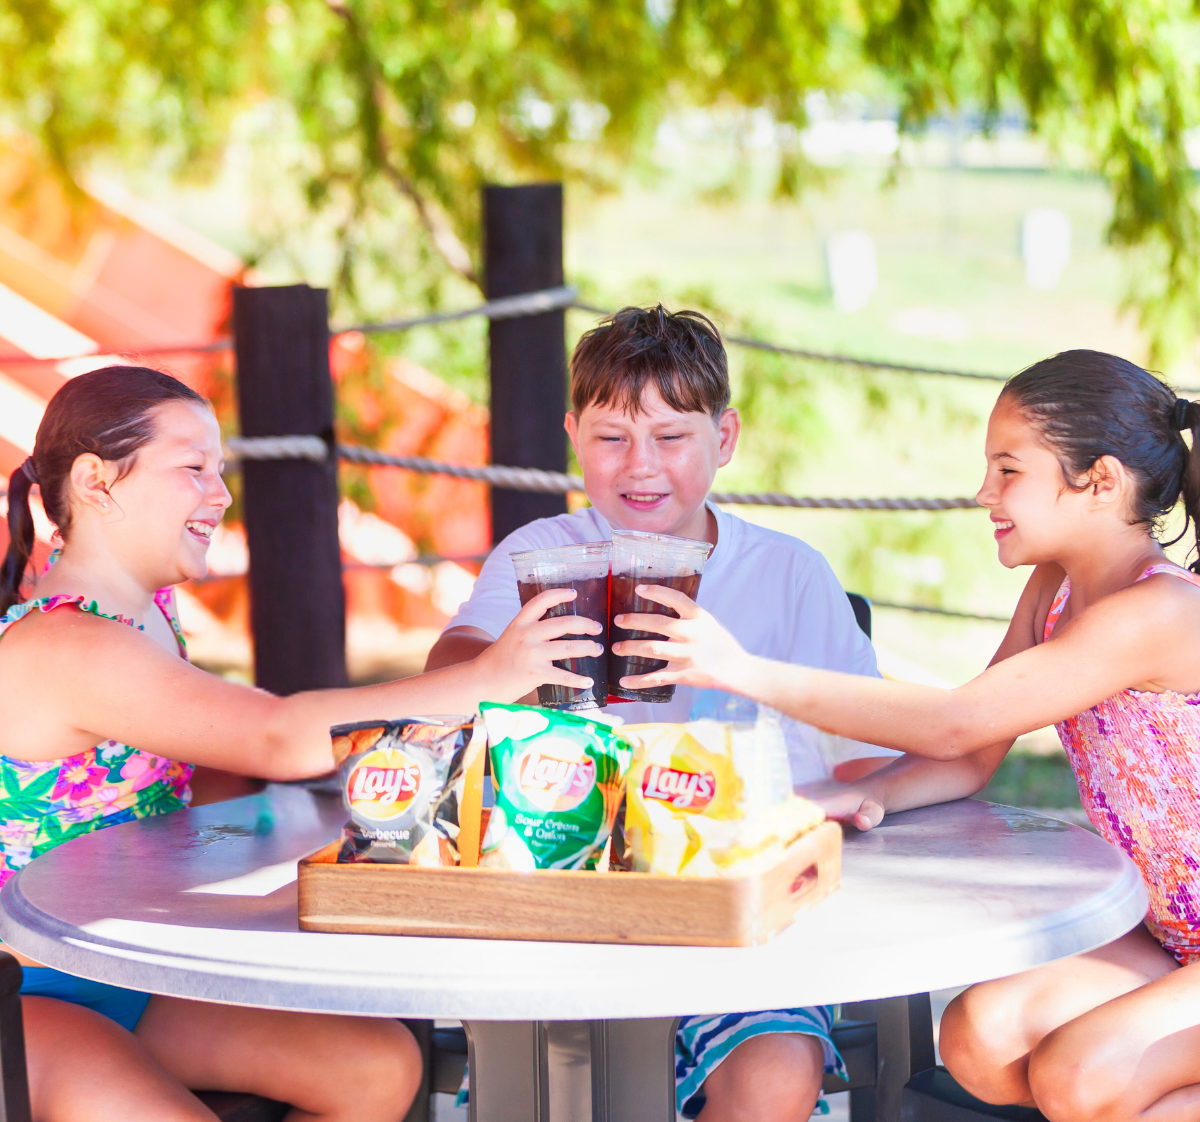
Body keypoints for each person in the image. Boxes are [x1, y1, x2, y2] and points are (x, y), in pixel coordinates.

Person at [0, 364, 603, 1122]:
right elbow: (275, 735)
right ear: (97, 482)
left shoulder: (148, 614)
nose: (221, 494)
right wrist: (487, 677)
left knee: (377, 1068)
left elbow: (181, 785)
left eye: (220, 470)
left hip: (126, 969)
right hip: (29, 989)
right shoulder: (66, 644)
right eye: (193, 468)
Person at [611, 348, 1200, 1122]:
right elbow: (973, 754)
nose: (984, 492)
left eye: (1008, 471)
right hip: (1168, 932)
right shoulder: (1055, 587)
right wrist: (862, 796)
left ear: (1100, 482)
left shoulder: (1156, 611)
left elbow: (954, 721)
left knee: (1081, 1077)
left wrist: (742, 670)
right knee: (980, 1038)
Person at [425, 305, 896, 1122]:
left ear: (725, 436)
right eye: (611, 437)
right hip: (564, 910)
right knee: (549, 1087)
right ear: (574, 437)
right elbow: (444, 681)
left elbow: (870, 761)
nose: (640, 466)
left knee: (776, 1074)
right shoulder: (541, 557)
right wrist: (511, 664)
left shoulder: (788, 575)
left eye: (671, 437)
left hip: (740, 921)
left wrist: (830, 803)